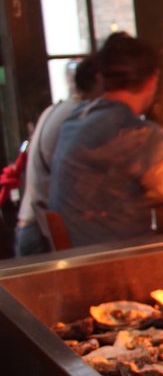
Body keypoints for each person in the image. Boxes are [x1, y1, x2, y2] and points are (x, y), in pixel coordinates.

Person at [48, 32, 163, 249]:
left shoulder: (75, 120)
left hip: (75, 260)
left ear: (103, 78)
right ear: (152, 81)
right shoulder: (139, 136)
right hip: (117, 263)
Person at [13, 56, 101, 255]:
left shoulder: (56, 109)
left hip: (29, 225)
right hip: (40, 232)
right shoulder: (77, 118)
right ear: (98, 81)